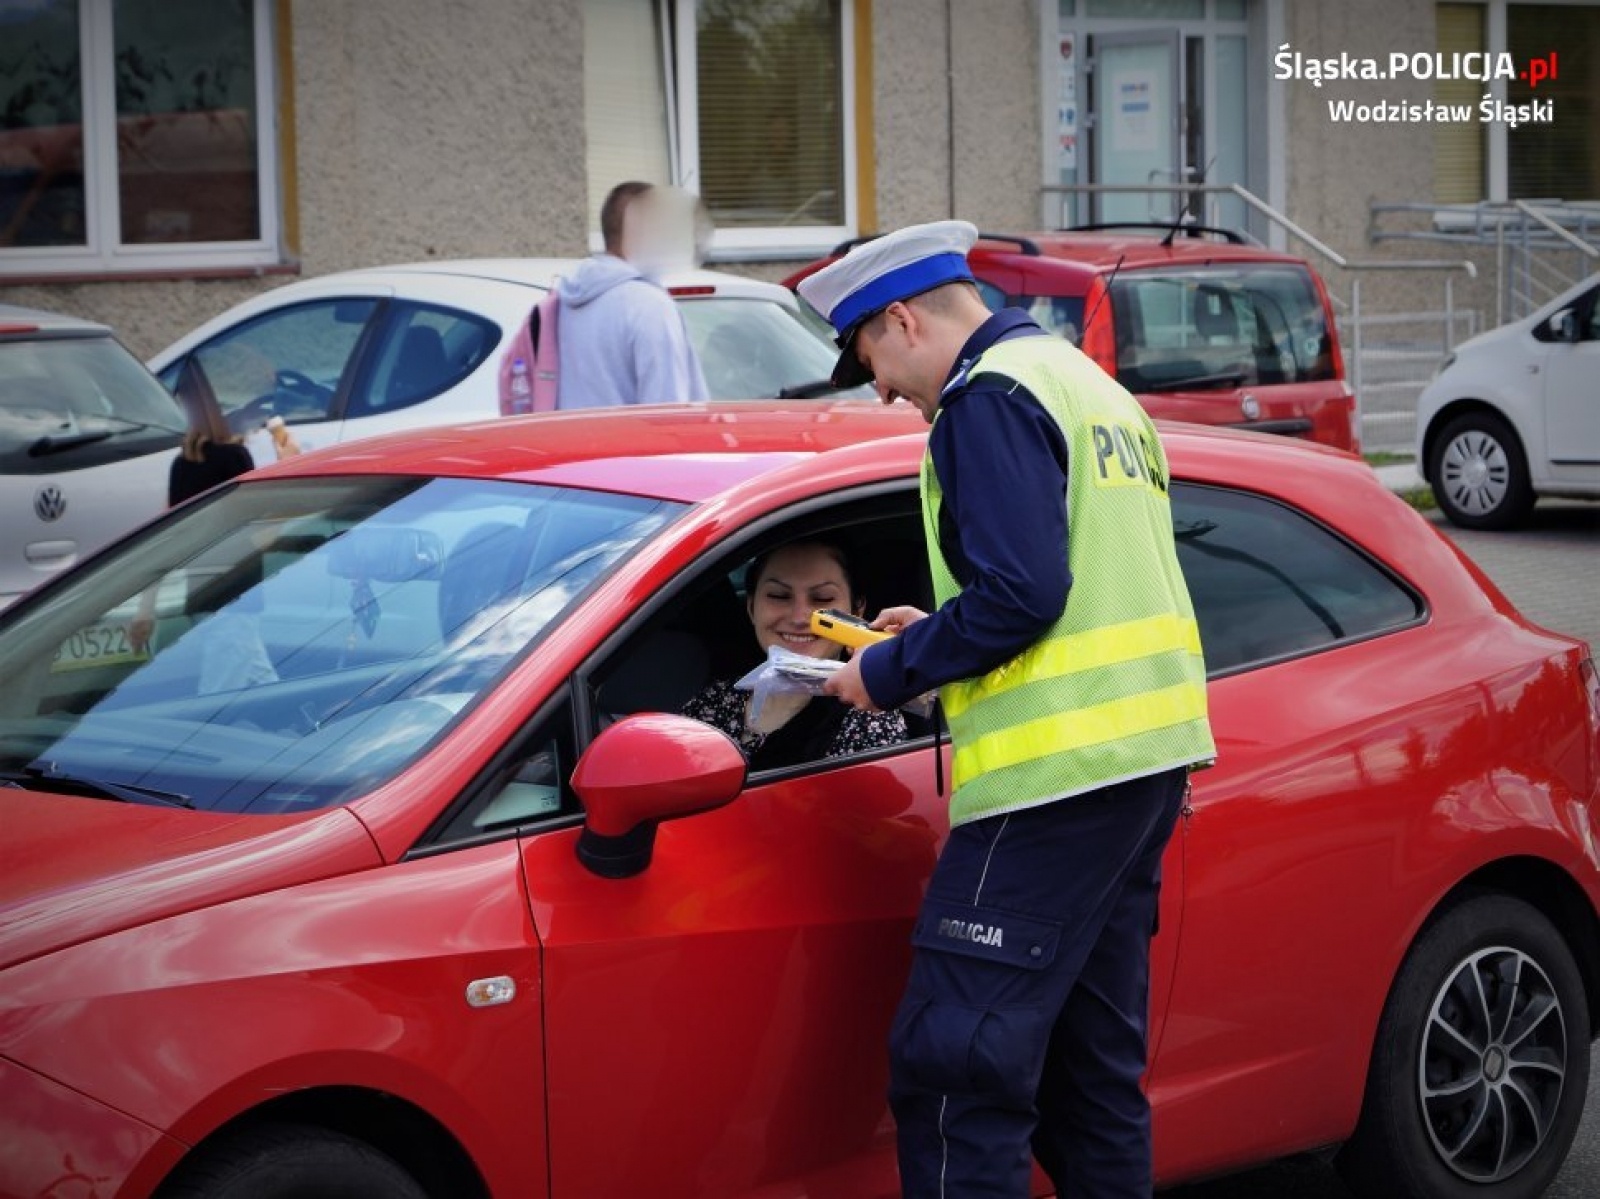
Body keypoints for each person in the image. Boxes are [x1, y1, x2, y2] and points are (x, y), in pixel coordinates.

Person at [801, 221, 1216, 1199]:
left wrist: (895, 665)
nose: (881, 389)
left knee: (956, 1074)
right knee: (1090, 1081)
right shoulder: (1085, 387)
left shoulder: (983, 401)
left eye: (872, 359)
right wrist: (942, 626)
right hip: (1138, 768)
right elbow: (1071, 581)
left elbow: (1028, 595)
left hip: (1052, 783)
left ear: (901, 319)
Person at [681, 539, 907, 772]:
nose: (800, 618)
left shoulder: (869, 716)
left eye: (822, 599)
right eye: (779, 596)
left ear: (856, 612)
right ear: (751, 608)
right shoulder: (713, 700)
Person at [554, 181, 709, 409]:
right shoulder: (650, 307)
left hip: (571, 443)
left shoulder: (564, 300)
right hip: (629, 444)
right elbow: (669, 414)